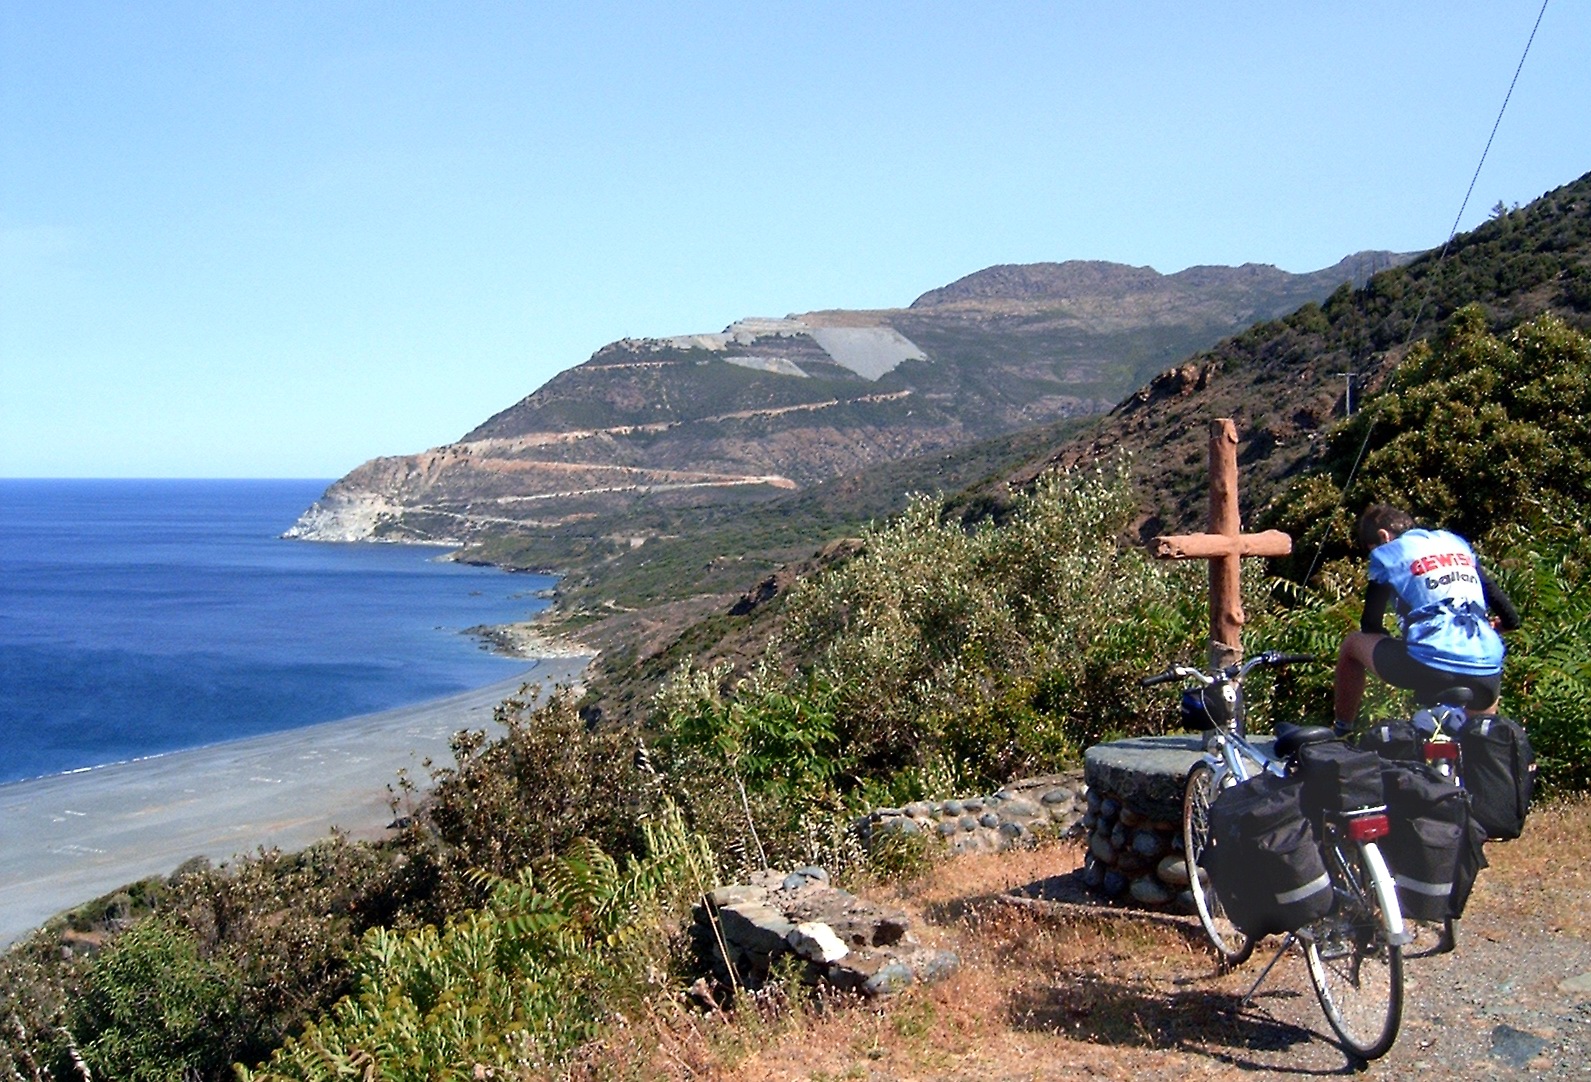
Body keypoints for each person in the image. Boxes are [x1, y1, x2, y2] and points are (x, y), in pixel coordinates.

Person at [1333, 504, 1520, 735]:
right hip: (1485, 669)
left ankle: (1343, 732)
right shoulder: (1454, 543)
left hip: (1426, 664)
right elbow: (1510, 615)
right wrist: (1499, 626)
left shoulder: (1389, 553)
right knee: (1480, 739)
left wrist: (1393, 643)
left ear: (1383, 536)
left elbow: (1370, 623)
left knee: (1352, 644)